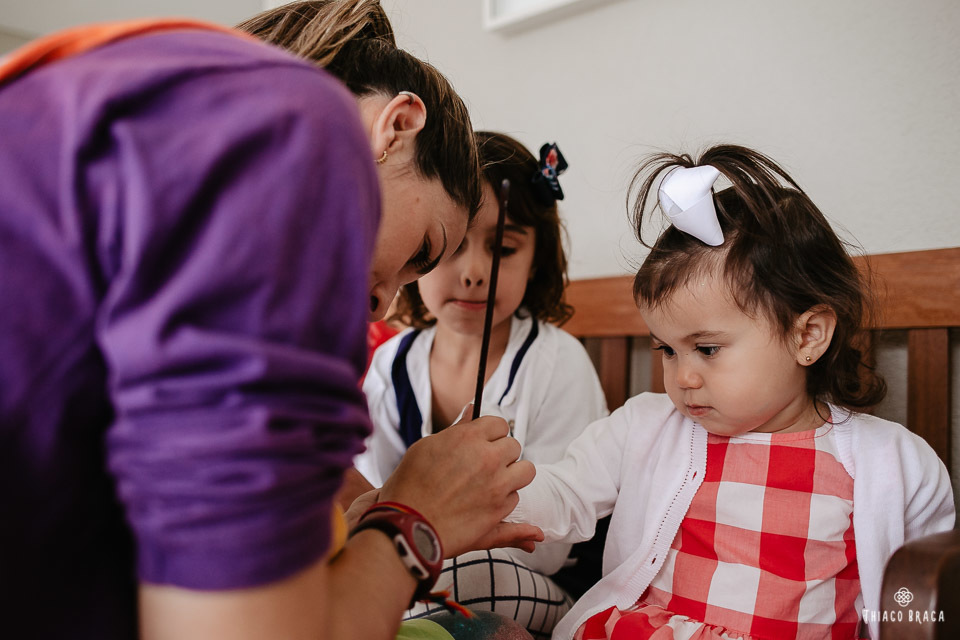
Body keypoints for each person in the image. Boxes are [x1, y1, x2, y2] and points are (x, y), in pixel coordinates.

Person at [0, 3, 539, 639]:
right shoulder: (293, 138)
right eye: (421, 251)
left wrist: (365, 516)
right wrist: (409, 522)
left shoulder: (138, 87)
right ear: (399, 124)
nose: (386, 304)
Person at [506, 145, 956, 640]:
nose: (683, 378)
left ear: (807, 336)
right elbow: (566, 492)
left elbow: (921, 588)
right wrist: (498, 491)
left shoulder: (893, 464)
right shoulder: (645, 426)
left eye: (706, 349)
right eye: (667, 350)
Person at [357, 132, 608, 637]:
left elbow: (545, 544)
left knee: (457, 573)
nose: (473, 272)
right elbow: (367, 501)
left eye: (504, 248)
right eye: (451, 245)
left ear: (535, 260)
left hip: (537, 581)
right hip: (420, 571)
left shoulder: (558, 362)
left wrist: (417, 538)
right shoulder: (390, 363)